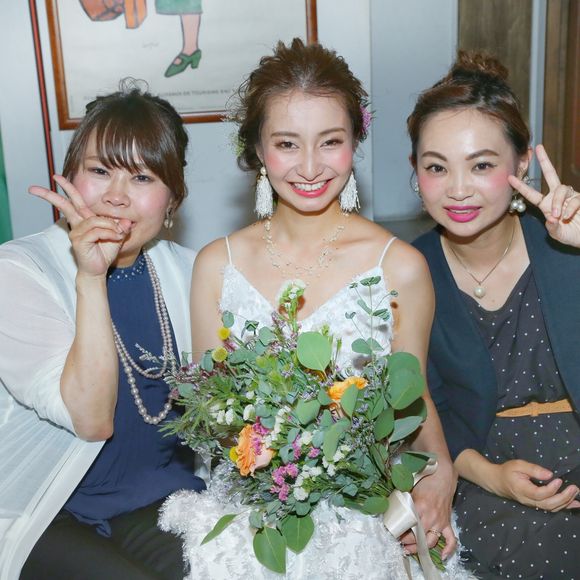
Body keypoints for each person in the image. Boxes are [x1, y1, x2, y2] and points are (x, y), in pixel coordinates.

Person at [161, 39, 461, 578]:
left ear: (355, 142)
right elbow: (214, 415)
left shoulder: (400, 267)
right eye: (287, 144)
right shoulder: (217, 265)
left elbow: (411, 397)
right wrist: (289, 458)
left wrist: (440, 473)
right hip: (254, 506)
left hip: (368, 504)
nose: (309, 166)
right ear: (258, 148)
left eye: (330, 142)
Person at [0, 84, 206, 579]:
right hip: (50, 508)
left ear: (173, 198)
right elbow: (92, 420)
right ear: (70, 176)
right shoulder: (17, 271)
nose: (116, 196)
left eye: (142, 176)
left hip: (158, 499)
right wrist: (91, 278)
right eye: (99, 171)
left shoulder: (192, 272)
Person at [410, 52, 580, 579]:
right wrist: (491, 476)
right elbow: (422, 408)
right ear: (415, 173)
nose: (458, 188)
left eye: (482, 165)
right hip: (483, 476)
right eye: (436, 167)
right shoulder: (408, 271)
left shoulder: (565, 246)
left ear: (522, 164)